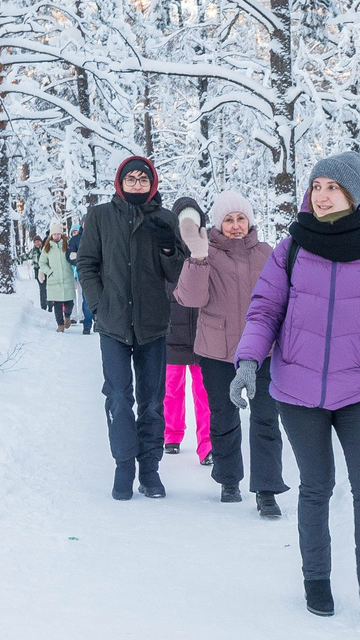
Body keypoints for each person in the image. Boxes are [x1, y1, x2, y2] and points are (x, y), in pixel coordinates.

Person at [232, 151, 360, 629]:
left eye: (332, 188)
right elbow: (263, 312)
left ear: (354, 193)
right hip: (297, 391)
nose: (321, 196)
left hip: (358, 389)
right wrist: (247, 361)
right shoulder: (291, 249)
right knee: (316, 488)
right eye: (316, 186)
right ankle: (316, 579)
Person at [75, 155, 187, 500]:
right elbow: (87, 263)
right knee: (120, 397)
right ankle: (124, 466)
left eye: (143, 179)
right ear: (119, 183)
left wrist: (169, 245)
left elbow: (177, 273)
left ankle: (149, 472)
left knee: (152, 401)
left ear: (152, 183)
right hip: (114, 325)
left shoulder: (165, 218)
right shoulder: (100, 217)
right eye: (131, 179)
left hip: (153, 324)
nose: (137, 184)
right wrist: (99, 306)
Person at [173, 189, 288, 513]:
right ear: (219, 223)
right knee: (223, 417)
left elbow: (283, 300)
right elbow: (190, 298)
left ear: (249, 221)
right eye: (228, 219)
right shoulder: (206, 252)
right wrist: (196, 256)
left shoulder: (268, 253)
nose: (236, 225)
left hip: (264, 352)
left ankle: (267, 490)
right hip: (216, 352)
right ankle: (228, 479)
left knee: (266, 419)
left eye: (241, 218)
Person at [162, 197, 215, 467]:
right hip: (172, 332)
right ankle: (171, 435)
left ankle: (207, 445)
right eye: (185, 221)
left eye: (194, 221)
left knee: (204, 392)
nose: (189, 226)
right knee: (171, 389)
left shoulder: (209, 250)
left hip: (202, 335)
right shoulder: (167, 251)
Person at [37, 228, 78, 331]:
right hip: (54, 280)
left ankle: (67, 316)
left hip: (67, 278)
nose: (56, 236)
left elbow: (73, 255)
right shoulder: (47, 247)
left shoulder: (67, 245)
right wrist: (49, 272)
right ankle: (60, 325)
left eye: (58, 234)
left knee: (70, 302)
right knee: (57, 305)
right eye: (54, 234)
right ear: (51, 235)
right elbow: (42, 263)